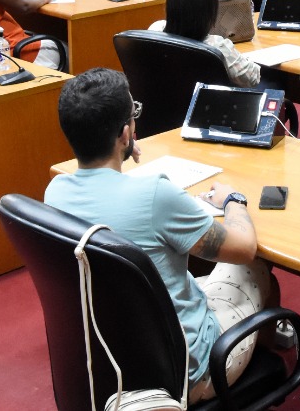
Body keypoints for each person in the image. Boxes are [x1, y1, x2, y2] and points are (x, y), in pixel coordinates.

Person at [45, 68, 275, 402]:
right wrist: (232, 200)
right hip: (187, 371)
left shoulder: (55, 193)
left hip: (111, 361)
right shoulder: (155, 195)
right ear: (126, 134)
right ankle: (253, 386)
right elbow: (244, 248)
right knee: (256, 269)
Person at [149, 0, 260, 87]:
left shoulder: (154, 31)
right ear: (210, 13)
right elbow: (252, 79)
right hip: (210, 103)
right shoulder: (217, 47)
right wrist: (245, 58)